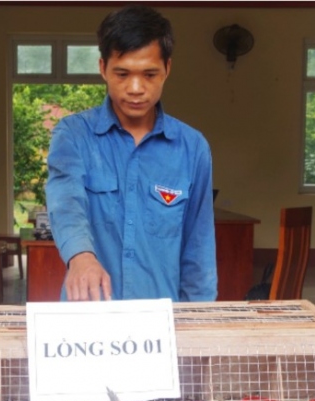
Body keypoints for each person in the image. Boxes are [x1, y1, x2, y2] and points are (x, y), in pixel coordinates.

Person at [45, 5, 217, 302]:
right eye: (122, 74)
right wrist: (81, 256)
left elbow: (199, 251)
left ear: (167, 69)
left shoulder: (192, 148)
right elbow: (66, 203)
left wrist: (198, 318)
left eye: (149, 74)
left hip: (160, 319)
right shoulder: (73, 136)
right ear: (103, 68)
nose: (136, 88)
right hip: (88, 318)